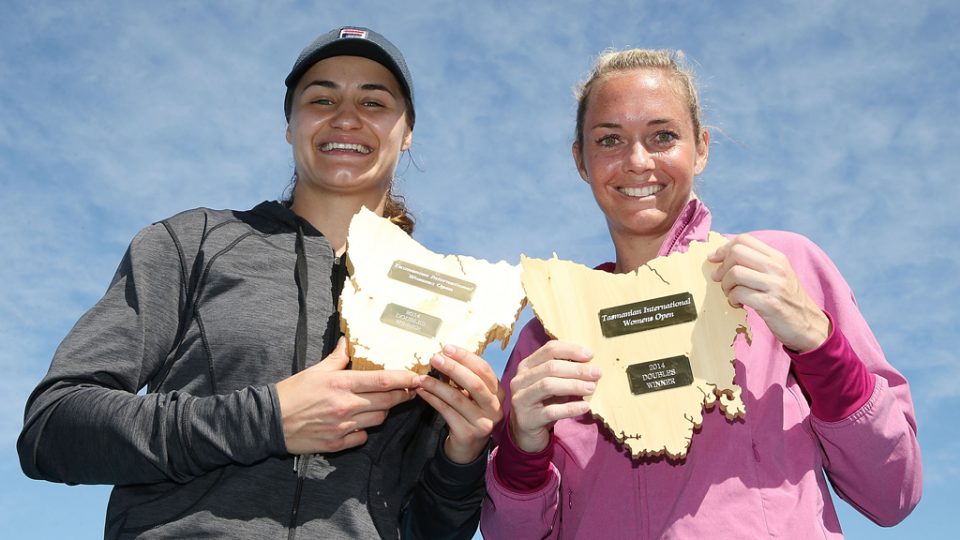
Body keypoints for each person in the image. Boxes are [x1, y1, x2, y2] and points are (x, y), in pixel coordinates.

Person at [18, 26, 501, 540]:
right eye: (321, 98)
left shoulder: (446, 298)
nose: (346, 117)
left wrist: (462, 458)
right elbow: (54, 427)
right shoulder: (193, 242)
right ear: (290, 125)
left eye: (374, 102)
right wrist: (267, 420)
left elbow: (423, 528)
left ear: (407, 133)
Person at [480, 49, 922, 539]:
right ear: (581, 161)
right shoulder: (549, 331)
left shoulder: (783, 268)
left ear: (702, 147)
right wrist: (522, 448)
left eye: (663, 136)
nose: (637, 161)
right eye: (609, 140)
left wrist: (820, 342)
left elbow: (893, 492)